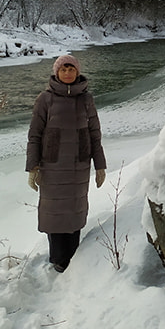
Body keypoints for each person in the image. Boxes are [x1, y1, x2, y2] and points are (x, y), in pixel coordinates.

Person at [26, 54, 106, 272]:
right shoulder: (45, 99)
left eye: (71, 69)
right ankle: (59, 260)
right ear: (57, 72)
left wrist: (100, 165)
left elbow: (94, 133)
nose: (68, 73)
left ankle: (75, 259)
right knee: (55, 213)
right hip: (52, 166)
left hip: (79, 165)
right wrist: (33, 167)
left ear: (77, 72)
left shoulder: (86, 99)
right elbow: (35, 134)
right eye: (64, 69)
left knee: (74, 211)